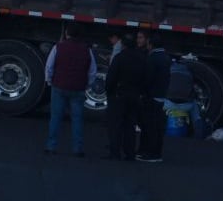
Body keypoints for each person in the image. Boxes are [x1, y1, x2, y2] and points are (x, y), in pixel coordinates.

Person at [43, 26, 96, 157]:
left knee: (56, 117)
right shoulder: (87, 50)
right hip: (78, 87)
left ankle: (51, 146)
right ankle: (77, 148)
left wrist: (50, 81)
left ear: (67, 34)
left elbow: (49, 66)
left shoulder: (58, 47)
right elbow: (92, 71)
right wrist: (87, 84)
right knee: (77, 119)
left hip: (59, 85)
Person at [105, 31, 150, 161]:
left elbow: (111, 78)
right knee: (130, 125)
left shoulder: (119, 58)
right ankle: (130, 153)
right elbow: (146, 78)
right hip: (134, 94)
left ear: (123, 45)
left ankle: (115, 152)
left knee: (116, 125)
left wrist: (109, 91)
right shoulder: (142, 59)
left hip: (119, 94)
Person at [137, 32, 170, 163]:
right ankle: (155, 153)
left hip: (151, 96)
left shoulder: (152, 58)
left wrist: (142, 92)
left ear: (151, 44)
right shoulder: (165, 57)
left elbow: (148, 79)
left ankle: (150, 153)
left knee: (149, 127)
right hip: (161, 95)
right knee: (157, 127)